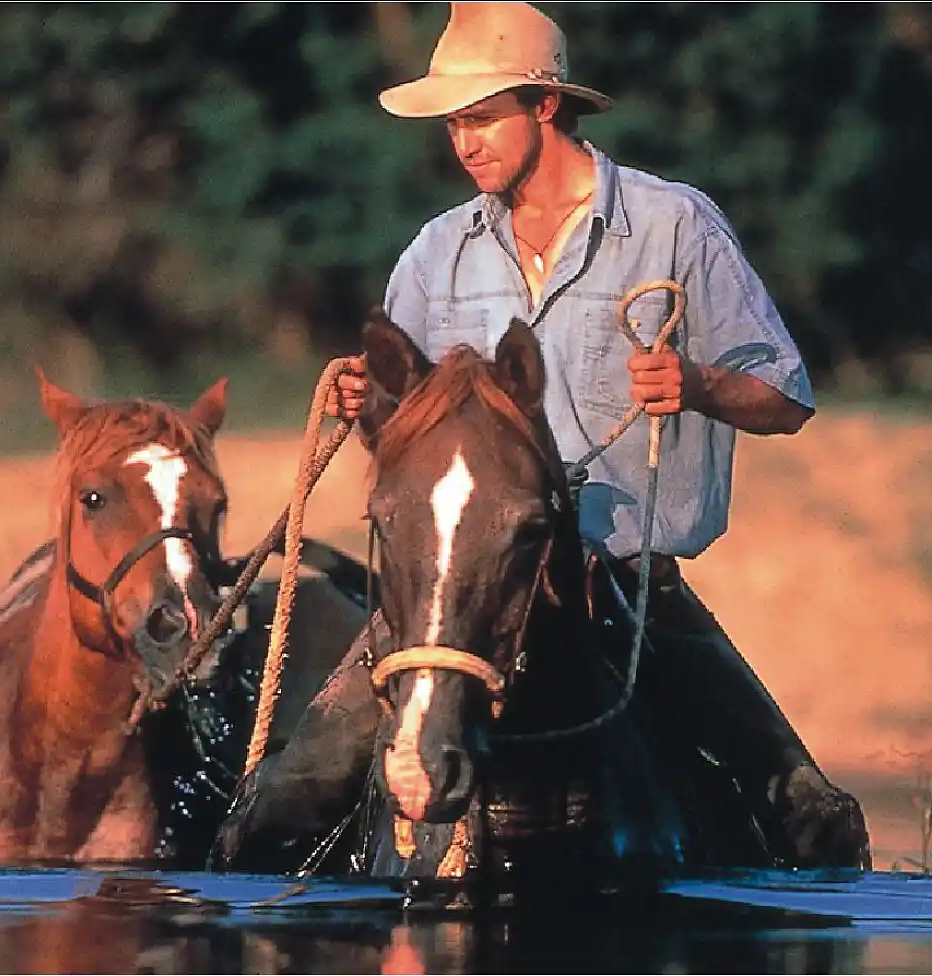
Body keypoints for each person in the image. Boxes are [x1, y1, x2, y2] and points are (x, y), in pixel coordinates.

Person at [325, 1, 870, 868]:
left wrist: (697, 383)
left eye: (480, 116)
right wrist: (369, 408)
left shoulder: (674, 224)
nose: (462, 142)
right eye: (453, 124)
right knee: (280, 799)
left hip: (627, 589)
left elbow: (787, 396)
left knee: (810, 813)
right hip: (455, 605)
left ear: (545, 106)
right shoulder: (434, 253)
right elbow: (402, 457)